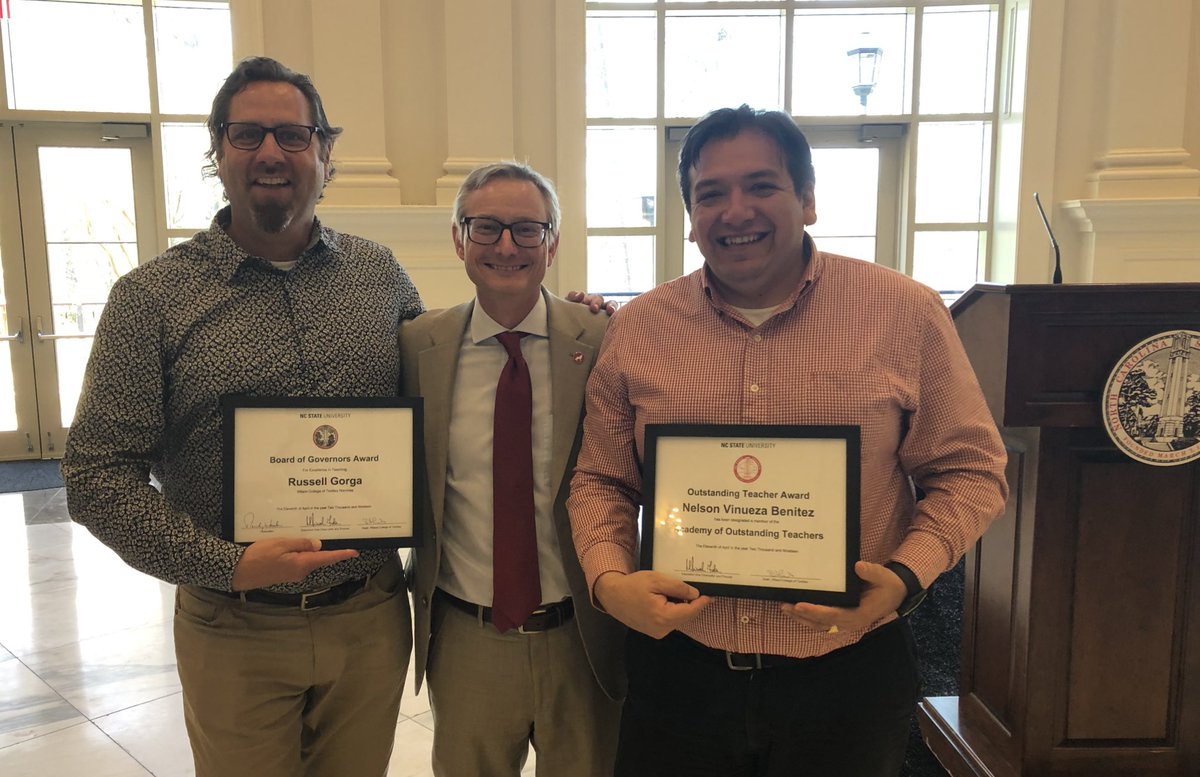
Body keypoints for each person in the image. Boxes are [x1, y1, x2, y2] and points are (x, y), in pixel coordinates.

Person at [568, 105, 1009, 777]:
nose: (735, 211)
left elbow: (971, 472)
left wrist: (903, 578)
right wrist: (608, 581)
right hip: (680, 672)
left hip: (847, 675)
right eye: (710, 194)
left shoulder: (904, 312)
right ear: (690, 216)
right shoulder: (640, 328)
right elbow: (602, 478)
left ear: (807, 200)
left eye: (761, 185)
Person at [61, 57, 423, 777]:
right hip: (234, 629)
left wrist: (564, 323)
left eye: (293, 135)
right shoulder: (151, 298)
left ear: (326, 155)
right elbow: (95, 475)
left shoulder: (379, 276)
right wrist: (227, 565)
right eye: (246, 134)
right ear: (217, 155)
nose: (270, 152)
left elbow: (448, 384)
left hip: (370, 618)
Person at [400, 162, 625, 776]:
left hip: (582, 633)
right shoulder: (417, 346)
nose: (506, 246)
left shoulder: (603, 337)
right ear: (458, 239)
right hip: (468, 636)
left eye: (527, 229)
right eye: (486, 227)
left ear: (552, 243)